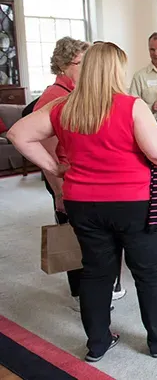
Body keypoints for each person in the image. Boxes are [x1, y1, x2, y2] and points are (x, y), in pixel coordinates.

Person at [8, 42, 157, 361]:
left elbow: (18, 134)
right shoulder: (131, 106)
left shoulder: (64, 106)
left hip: (83, 203)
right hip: (133, 203)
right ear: (115, 70)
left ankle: (98, 342)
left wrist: (56, 168)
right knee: (150, 272)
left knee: (95, 271)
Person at [33, 37, 126, 310]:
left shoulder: (74, 94)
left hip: (77, 179)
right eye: (81, 64)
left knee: (86, 238)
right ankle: (83, 295)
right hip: (66, 180)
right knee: (76, 240)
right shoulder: (54, 98)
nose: (88, 69)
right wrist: (60, 190)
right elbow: (48, 153)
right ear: (64, 65)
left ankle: (95, 290)